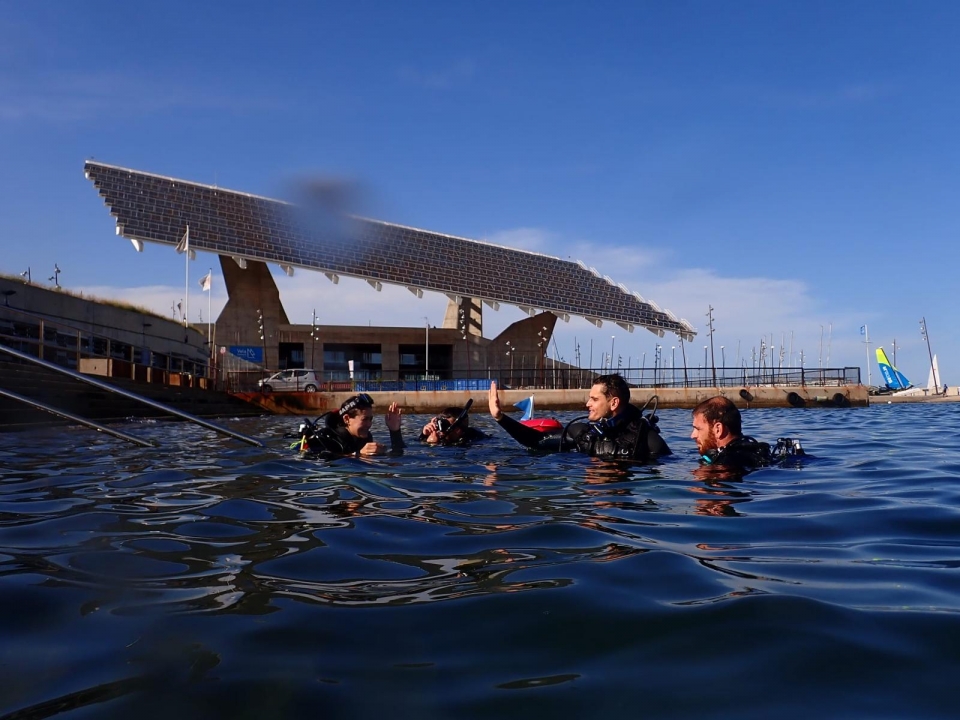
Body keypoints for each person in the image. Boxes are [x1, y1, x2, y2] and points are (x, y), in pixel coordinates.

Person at [487, 374, 671, 461]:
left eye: (594, 399)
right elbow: (536, 441)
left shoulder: (647, 439)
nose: (587, 404)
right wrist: (500, 418)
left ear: (614, 403)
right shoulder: (583, 432)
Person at [298, 393, 404, 457]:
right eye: (365, 419)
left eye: (370, 419)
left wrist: (395, 431)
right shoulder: (325, 438)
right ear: (347, 419)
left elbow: (397, 455)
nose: (369, 424)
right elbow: (317, 459)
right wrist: (358, 454)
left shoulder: (365, 438)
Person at [690, 396, 773, 469]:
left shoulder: (725, 464)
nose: (692, 435)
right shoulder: (755, 451)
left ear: (718, 430)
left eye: (698, 429)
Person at [419, 402, 487, 446]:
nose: (440, 430)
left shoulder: (473, 440)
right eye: (439, 424)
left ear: (459, 430)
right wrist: (424, 436)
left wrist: (433, 444)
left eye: (445, 425)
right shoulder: (439, 435)